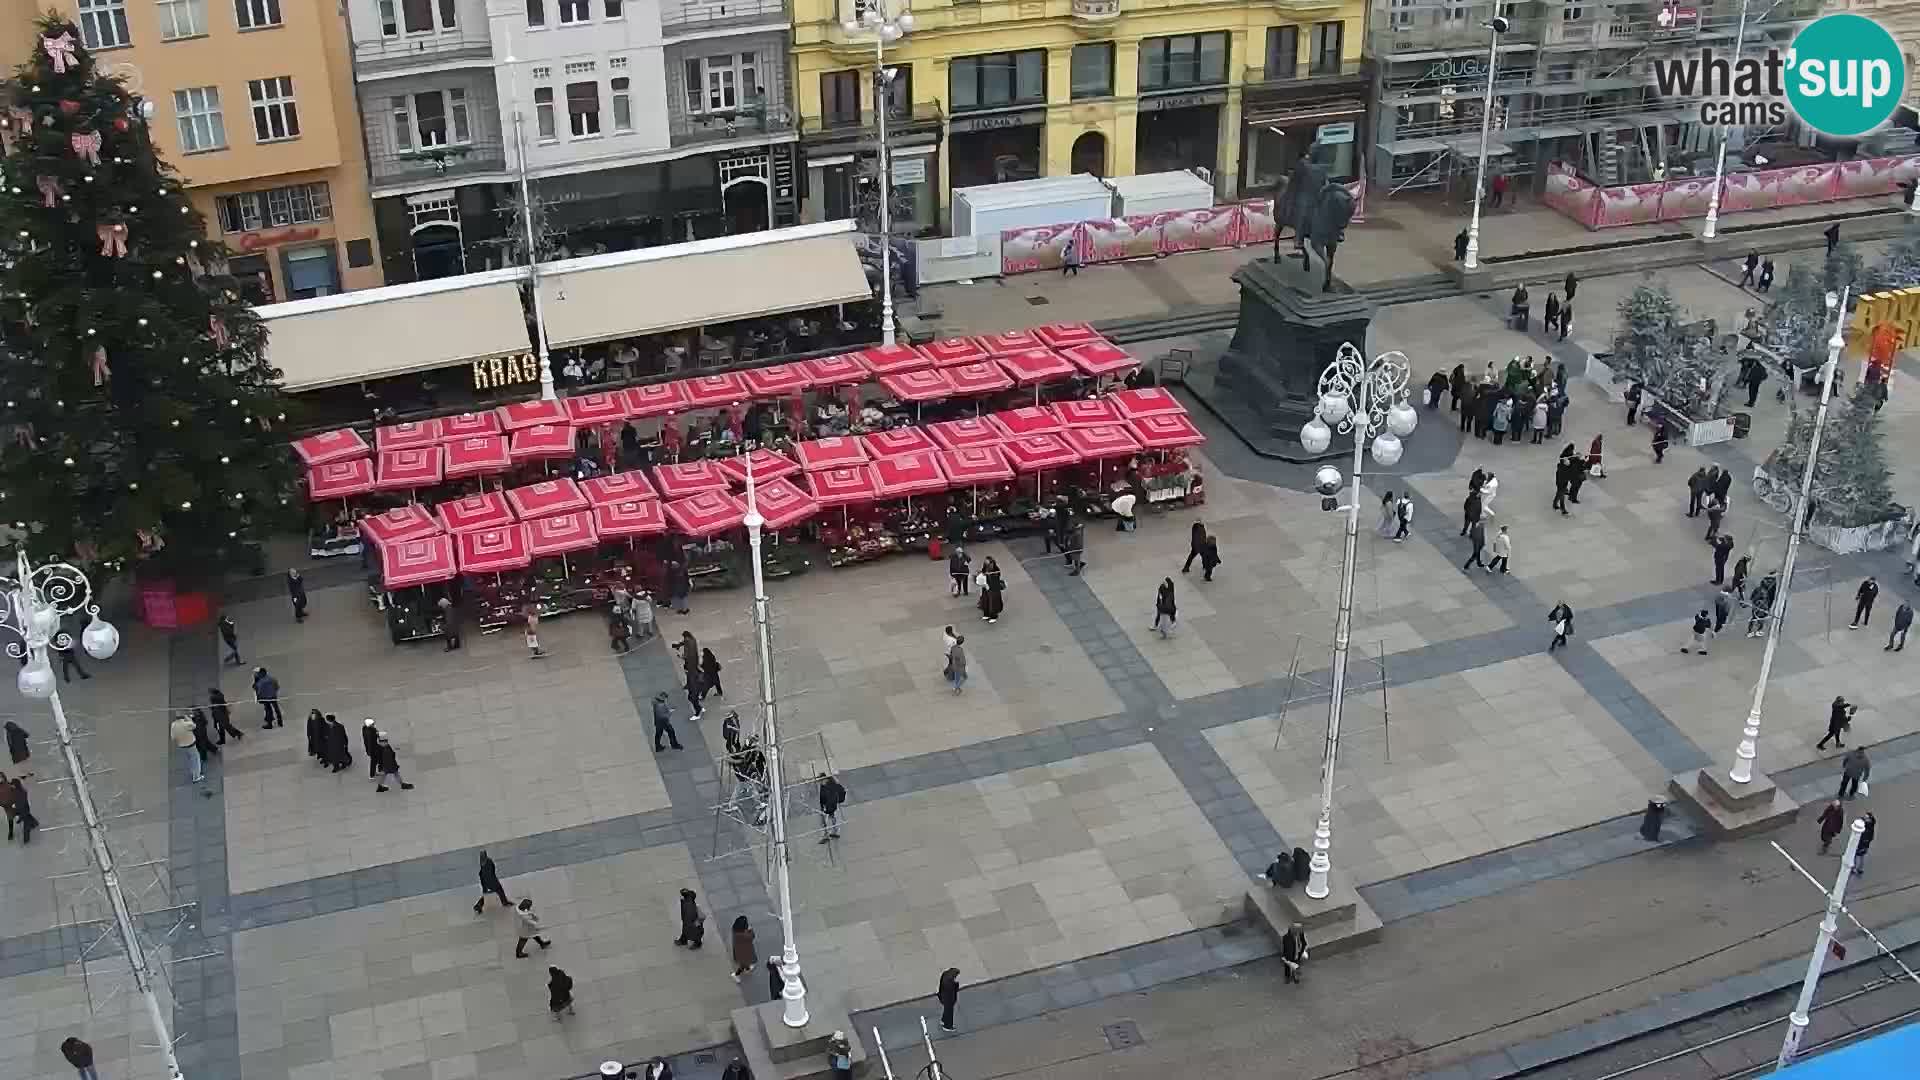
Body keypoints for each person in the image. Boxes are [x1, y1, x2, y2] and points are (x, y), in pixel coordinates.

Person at [172, 712, 203, 784]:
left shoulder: (173, 725)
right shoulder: (186, 724)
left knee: (189, 759)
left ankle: (192, 772)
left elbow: (173, 737)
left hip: (182, 746)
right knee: (195, 759)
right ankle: (196, 777)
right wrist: (189, 719)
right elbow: (194, 726)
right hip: (191, 744)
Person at [9, 774, 36, 842]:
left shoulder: (22, 792)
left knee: (26, 826)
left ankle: (26, 839)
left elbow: (21, 803)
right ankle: (34, 823)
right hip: (21, 810)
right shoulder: (14, 790)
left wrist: (14, 806)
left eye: (12, 785)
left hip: (23, 810)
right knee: (28, 817)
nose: (11, 786)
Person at [819, 773, 846, 840]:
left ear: (825, 779)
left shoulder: (831, 785)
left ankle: (826, 835)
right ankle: (834, 832)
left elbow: (833, 796)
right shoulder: (823, 786)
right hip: (828, 806)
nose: (820, 782)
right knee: (830, 818)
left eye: (821, 780)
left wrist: (826, 808)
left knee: (825, 820)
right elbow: (822, 797)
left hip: (830, 806)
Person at [731, 915, 757, 981]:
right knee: (743, 964)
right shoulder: (743, 934)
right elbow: (752, 936)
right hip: (744, 952)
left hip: (739, 950)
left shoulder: (735, 930)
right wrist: (750, 930)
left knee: (745, 962)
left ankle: (747, 968)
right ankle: (736, 974)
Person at [979, 557, 1005, 622]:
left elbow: (996, 577)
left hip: (993, 588)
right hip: (986, 588)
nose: (987, 564)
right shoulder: (984, 568)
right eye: (986, 563)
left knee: (993, 602)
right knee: (985, 601)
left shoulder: (996, 569)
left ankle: (993, 616)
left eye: (989, 563)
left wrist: (990, 575)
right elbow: (982, 576)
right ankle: (986, 614)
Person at [937, 967, 961, 1031]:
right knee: (949, 1013)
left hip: (943, 997)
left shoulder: (945, 975)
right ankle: (947, 1026)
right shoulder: (951, 982)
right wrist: (956, 984)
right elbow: (954, 990)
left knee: (946, 1010)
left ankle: (943, 1020)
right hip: (949, 999)